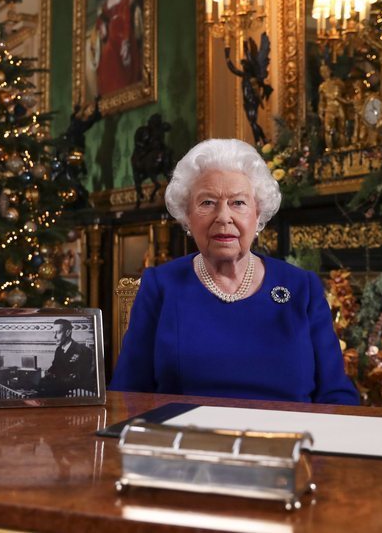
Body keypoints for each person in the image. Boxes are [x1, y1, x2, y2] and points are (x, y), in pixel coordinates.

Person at [110, 138, 359, 404]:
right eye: (207, 203)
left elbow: (336, 393)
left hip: (287, 441)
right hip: (186, 440)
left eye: (238, 202)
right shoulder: (161, 285)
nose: (223, 217)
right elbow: (128, 392)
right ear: (187, 215)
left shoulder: (302, 287)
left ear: (258, 212)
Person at [93, 0, 140, 96]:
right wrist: (102, 26)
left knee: (115, 53)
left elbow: (126, 17)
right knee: (107, 55)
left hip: (123, 33)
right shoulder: (106, 1)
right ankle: (109, 94)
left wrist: (125, 41)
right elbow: (100, 19)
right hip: (112, 35)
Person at [37, 319, 95, 397]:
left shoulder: (83, 351)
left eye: (58, 332)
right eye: (54, 333)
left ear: (68, 332)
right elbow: (54, 367)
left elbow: (79, 377)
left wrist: (54, 379)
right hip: (59, 389)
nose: (54, 337)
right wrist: (45, 374)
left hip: (75, 393)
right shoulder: (59, 350)